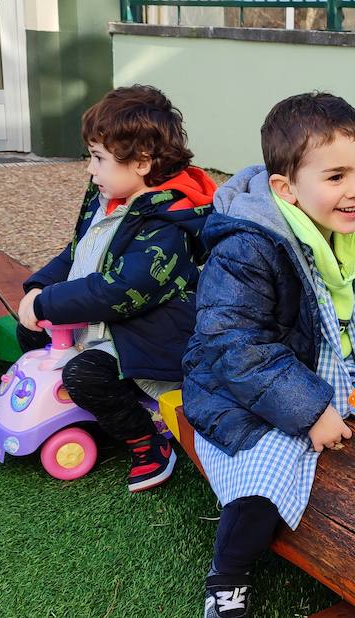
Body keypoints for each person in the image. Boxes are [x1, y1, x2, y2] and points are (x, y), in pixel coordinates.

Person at [181, 92, 355, 618]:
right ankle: (229, 573)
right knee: (264, 478)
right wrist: (310, 411)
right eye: (336, 177)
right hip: (246, 392)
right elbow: (232, 344)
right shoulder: (249, 245)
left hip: (333, 372)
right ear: (286, 189)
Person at [17, 85, 216, 493]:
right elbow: (75, 252)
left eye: (98, 158)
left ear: (141, 162)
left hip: (147, 335)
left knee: (85, 374)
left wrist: (50, 303)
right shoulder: (106, 196)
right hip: (100, 321)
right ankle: (95, 401)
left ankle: (149, 442)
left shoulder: (167, 223)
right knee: (28, 329)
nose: (90, 170)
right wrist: (39, 287)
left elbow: (122, 291)